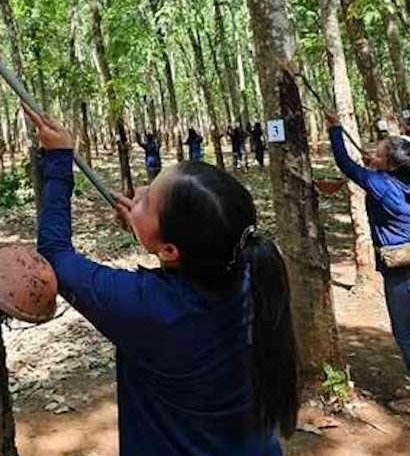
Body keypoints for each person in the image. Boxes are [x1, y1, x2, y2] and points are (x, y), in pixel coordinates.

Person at [24, 105, 298, 454]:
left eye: (147, 201)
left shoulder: (146, 307)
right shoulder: (253, 268)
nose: (137, 192)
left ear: (171, 250)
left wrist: (59, 161)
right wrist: (148, 231)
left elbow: (55, 255)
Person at [326, 113, 410, 414]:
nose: (371, 154)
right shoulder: (406, 180)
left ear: (388, 164)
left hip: (406, 274)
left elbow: (345, 164)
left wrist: (335, 128)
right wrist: (375, 162)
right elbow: (370, 167)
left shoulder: (381, 184)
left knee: (408, 334)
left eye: (377, 153)